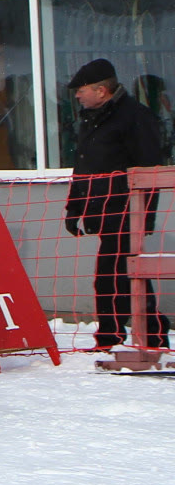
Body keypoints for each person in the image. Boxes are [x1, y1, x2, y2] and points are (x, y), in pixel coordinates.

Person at [65, 57, 169, 348]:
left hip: (126, 212)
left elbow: (150, 170)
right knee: (129, 275)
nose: (76, 94)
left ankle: (112, 336)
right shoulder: (91, 118)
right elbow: (83, 167)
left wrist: (145, 217)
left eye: (81, 89)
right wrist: (74, 208)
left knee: (111, 277)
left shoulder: (135, 117)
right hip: (101, 211)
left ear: (101, 91)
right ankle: (153, 332)